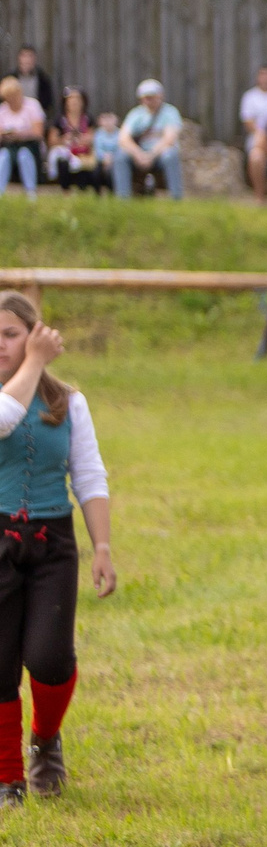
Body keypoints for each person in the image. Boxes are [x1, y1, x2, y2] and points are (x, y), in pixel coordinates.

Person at [0, 292, 115, 805]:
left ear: (33, 334)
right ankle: (7, 778)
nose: (1, 344)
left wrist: (102, 546)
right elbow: (3, 419)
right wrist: (35, 362)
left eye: (10, 334)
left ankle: (45, 742)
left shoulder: (69, 401)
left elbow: (88, 474)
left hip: (53, 542)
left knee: (49, 659)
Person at [104, 80, 185, 199]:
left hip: (159, 155)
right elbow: (123, 138)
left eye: (151, 97)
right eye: (145, 98)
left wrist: (151, 155)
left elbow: (169, 139)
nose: (148, 101)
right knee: (120, 155)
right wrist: (138, 154)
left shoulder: (170, 113)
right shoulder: (136, 114)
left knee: (170, 154)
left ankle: (176, 197)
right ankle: (123, 198)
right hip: (139, 154)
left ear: (160, 96)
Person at [47, 89, 103, 194]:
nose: (74, 102)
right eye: (71, 100)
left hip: (83, 153)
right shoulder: (59, 119)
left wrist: (84, 139)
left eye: (77, 99)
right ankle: (66, 191)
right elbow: (52, 141)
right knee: (63, 162)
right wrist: (64, 139)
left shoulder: (88, 118)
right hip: (66, 152)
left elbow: (93, 137)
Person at [0, 77, 46, 200]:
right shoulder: (2, 110)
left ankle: (31, 193)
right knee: (3, 156)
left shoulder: (32, 105)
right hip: (10, 146)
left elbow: (38, 133)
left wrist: (19, 134)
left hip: (31, 146)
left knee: (23, 155)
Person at [12, 48, 54, 125]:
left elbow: (48, 102)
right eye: (24, 56)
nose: (27, 60)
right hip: (15, 118)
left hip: (36, 117)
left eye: (30, 56)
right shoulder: (11, 78)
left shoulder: (43, 79)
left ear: (34, 59)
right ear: (19, 58)